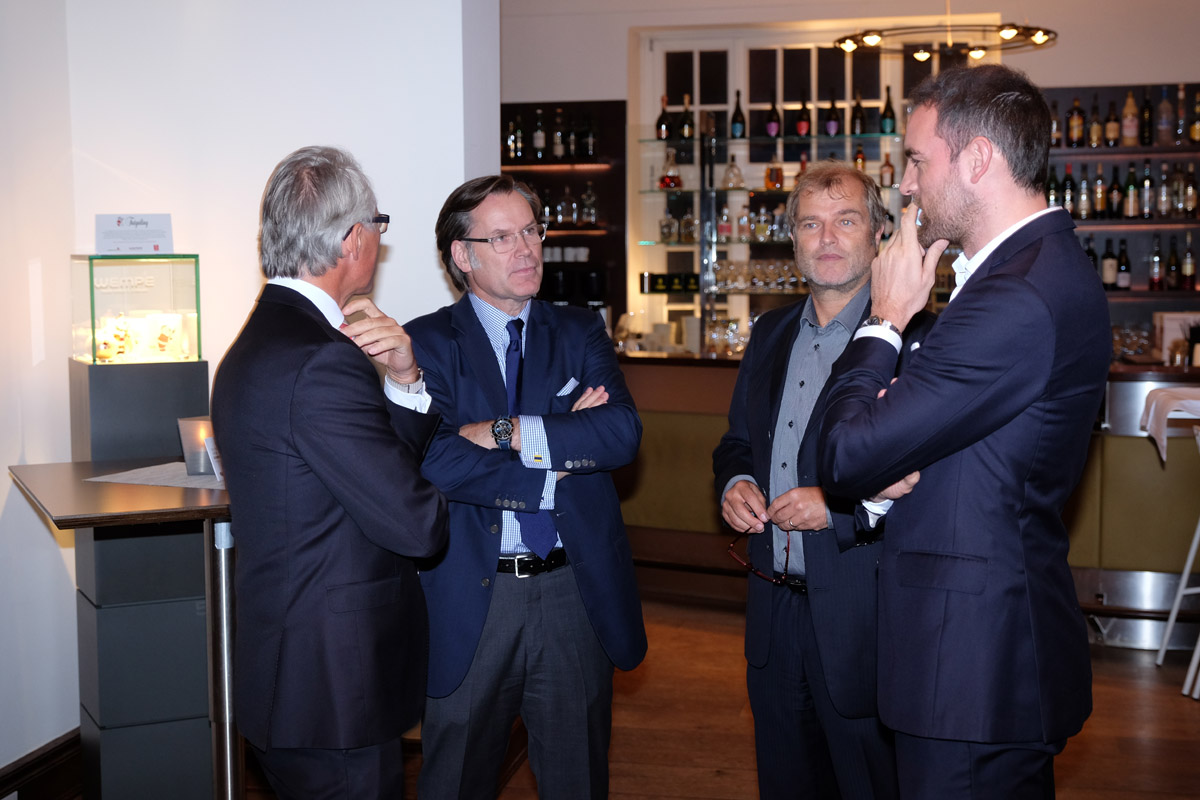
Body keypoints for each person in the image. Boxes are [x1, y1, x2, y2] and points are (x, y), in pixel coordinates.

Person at [818, 65, 1112, 798]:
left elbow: (845, 453)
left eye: (918, 160)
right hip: (978, 660)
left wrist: (885, 319)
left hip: (973, 670)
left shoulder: (1017, 294)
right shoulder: (1030, 272)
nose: (906, 184)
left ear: (978, 159)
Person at [211, 145, 447, 799]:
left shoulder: (257, 342)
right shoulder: (321, 359)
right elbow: (416, 524)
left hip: (293, 680)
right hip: (333, 693)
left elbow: (349, 482)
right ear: (351, 239)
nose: (379, 238)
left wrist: (404, 381)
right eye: (378, 224)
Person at [405, 174, 646, 799]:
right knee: (456, 780)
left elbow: (620, 433)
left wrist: (505, 430)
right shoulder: (425, 343)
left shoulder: (579, 330)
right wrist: (558, 459)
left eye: (532, 232)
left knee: (577, 780)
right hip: (472, 596)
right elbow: (435, 459)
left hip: (573, 592)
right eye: (503, 237)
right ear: (463, 255)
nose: (526, 249)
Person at [713, 162, 930, 800]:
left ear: (880, 232)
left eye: (846, 220)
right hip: (773, 613)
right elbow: (737, 443)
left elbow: (935, 480)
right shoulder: (770, 331)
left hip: (868, 619)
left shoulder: (919, 341)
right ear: (793, 239)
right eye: (810, 224)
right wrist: (734, 482)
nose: (827, 237)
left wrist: (837, 508)